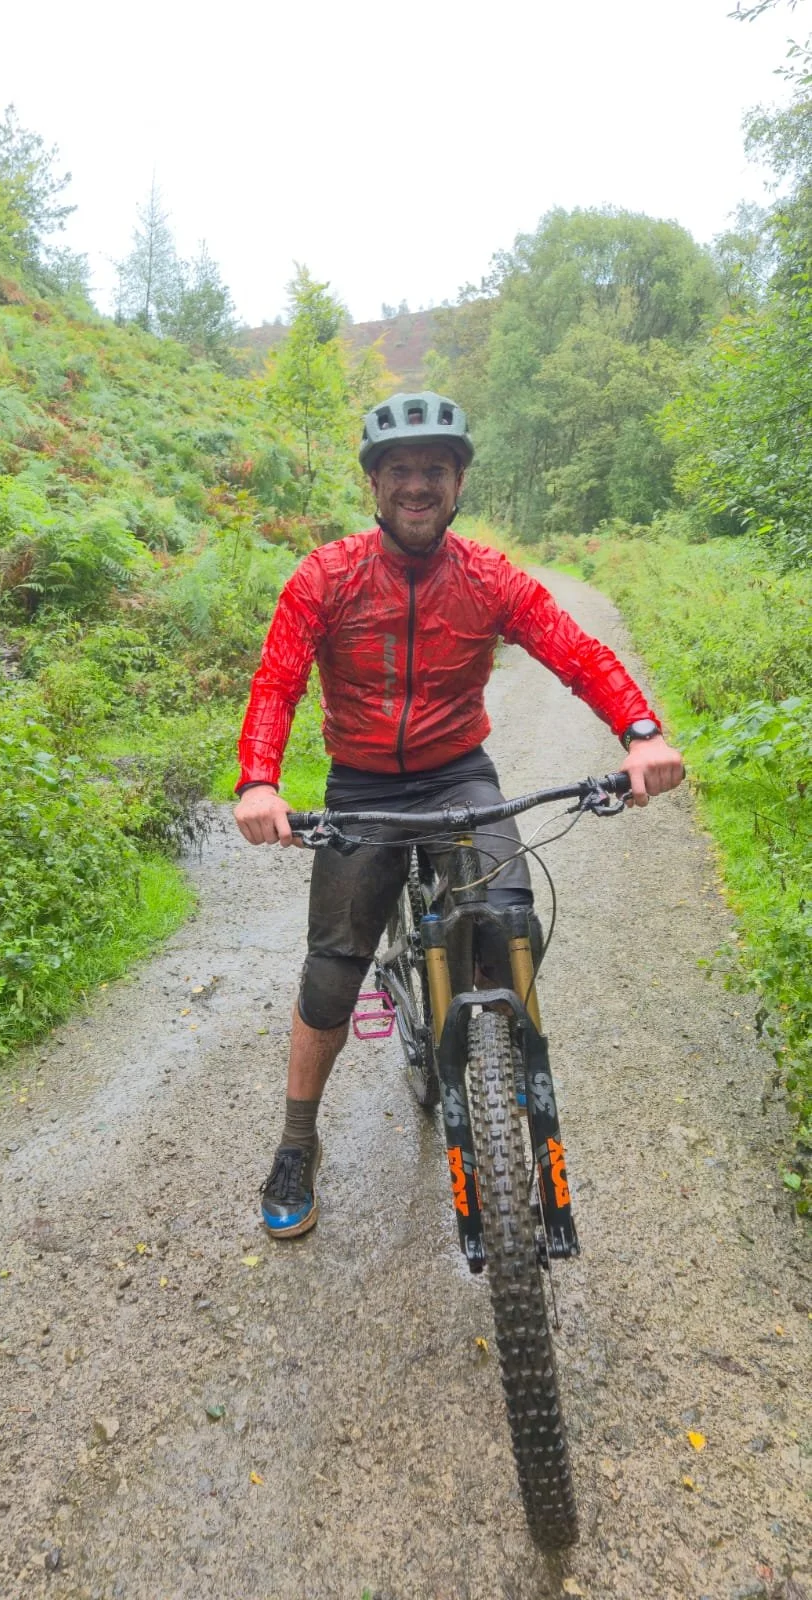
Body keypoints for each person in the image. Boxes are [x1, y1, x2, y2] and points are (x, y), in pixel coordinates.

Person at [234, 391, 684, 1239]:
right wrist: (259, 782)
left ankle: (501, 1060)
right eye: (399, 470)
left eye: (433, 470)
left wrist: (641, 732)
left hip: (457, 776)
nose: (417, 485)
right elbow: (278, 682)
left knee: (509, 919)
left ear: (459, 481)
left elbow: (575, 651)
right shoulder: (325, 576)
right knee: (332, 969)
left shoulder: (487, 576)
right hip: (363, 786)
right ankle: (298, 1142)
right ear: (374, 485)